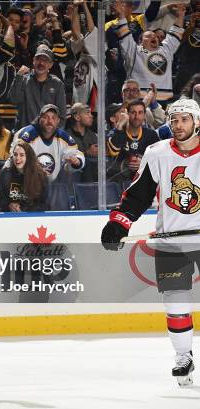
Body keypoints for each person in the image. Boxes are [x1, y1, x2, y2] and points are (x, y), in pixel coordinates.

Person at [101, 98, 200, 387]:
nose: (178, 125)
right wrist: (119, 223)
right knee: (174, 302)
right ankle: (184, 356)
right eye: (174, 119)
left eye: (184, 119)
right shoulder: (157, 153)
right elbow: (139, 194)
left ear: (197, 122)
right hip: (171, 241)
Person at [114, 0, 184, 102]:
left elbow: (176, 32)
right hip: (140, 100)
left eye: (155, 36)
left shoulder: (165, 49)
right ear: (140, 41)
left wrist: (180, 15)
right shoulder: (134, 51)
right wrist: (120, 14)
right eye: (149, 36)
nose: (154, 37)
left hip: (165, 100)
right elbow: (124, 32)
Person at [12, 104, 84, 183]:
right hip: (23, 182)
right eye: (46, 117)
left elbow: (76, 154)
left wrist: (77, 162)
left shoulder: (64, 138)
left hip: (48, 186)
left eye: (53, 118)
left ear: (58, 121)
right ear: (39, 119)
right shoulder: (26, 135)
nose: (50, 121)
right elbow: (15, 161)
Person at [10, 44, 67, 129]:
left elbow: (61, 116)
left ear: (51, 65)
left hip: (48, 135)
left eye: (45, 60)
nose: (41, 63)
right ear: (33, 60)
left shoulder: (57, 84)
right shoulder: (23, 79)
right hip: (25, 134)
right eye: (39, 59)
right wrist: (18, 77)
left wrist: (52, 135)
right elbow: (14, 100)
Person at [107, 99, 160, 182]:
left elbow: (159, 160)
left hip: (143, 181)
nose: (136, 116)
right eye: (133, 112)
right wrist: (120, 125)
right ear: (127, 114)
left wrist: (144, 162)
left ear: (144, 115)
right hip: (119, 181)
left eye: (140, 112)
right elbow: (112, 152)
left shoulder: (151, 135)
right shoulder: (117, 132)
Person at [0, 141, 48, 212]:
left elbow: (44, 205)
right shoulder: (5, 174)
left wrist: (24, 209)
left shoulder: (41, 177)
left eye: (22, 155)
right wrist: (9, 205)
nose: (17, 158)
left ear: (28, 157)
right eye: (15, 154)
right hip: (10, 217)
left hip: (32, 218)